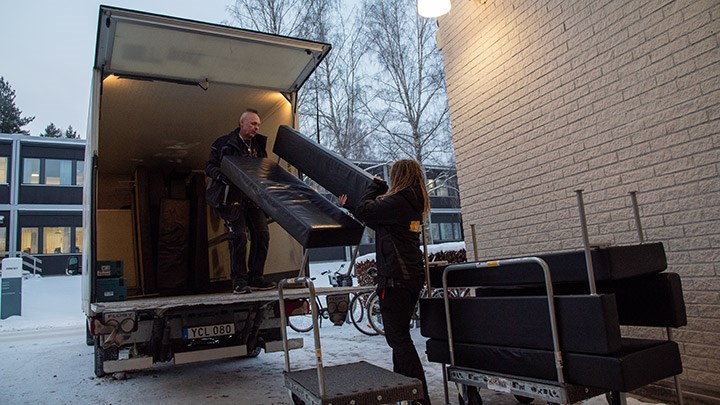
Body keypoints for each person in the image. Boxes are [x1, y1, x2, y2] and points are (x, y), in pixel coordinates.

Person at [339, 159, 431, 405]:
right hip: (408, 278)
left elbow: (369, 210)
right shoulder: (410, 200)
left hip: (396, 279)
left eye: (392, 176)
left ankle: (419, 396)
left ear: (399, 176)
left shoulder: (400, 200)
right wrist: (351, 207)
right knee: (397, 337)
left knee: (398, 338)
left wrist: (372, 189)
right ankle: (405, 392)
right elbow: (372, 218)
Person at [206, 109, 276, 294]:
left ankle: (256, 277)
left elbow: (263, 169)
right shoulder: (223, 144)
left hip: (253, 199)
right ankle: (239, 281)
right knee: (239, 238)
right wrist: (222, 177)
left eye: (258, 125)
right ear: (242, 123)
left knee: (262, 234)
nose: (256, 128)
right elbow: (209, 166)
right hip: (232, 199)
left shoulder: (258, 146)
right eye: (253, 124)